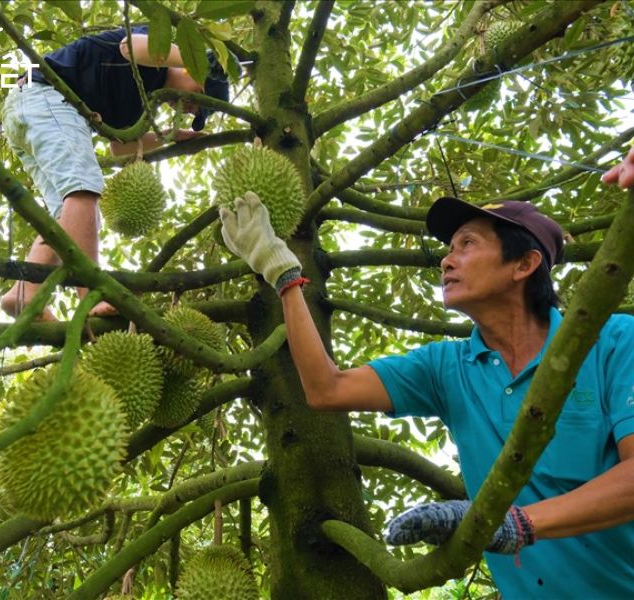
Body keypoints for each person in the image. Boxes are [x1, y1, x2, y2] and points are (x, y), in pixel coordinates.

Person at [218, 147, 634, 598]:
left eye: (468, 244)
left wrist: (514, 524)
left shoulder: (611, 341)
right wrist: (283, 274)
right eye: (449, 248)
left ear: (525, 264)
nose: (446, 260)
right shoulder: (447, 369)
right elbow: (326, 390)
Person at [1, 26, 230, 320]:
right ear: (193, 70)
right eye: (197, 99)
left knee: (70, 214)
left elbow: (121, 147)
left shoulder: (140, 100)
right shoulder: (154, 50)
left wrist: (173, 137)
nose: (189, 110)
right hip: (45, 96)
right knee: (83, 190)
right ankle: (91, 295)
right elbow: (129, 47)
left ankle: (23, 292)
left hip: (27, 111)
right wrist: (194, 57)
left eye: (196, 114)